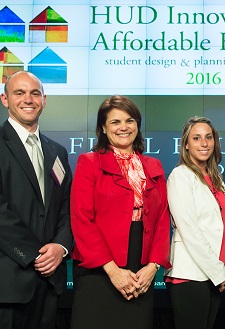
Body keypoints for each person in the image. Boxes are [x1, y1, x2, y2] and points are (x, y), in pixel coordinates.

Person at [0, 71, 72, 329]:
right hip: (2, 287)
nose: (28, 99)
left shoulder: (57, 152)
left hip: (47, 287)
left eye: (35, 93)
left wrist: (60, 247)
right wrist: (37, 254)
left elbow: (66, 209)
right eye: (19, 93)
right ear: (4, 99)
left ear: (44, 100)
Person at [70, 95, 171, 329]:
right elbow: (82, 219)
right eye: (115, 122)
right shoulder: (89, 162)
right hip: (99, 267)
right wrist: (112, 270)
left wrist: (152, 267)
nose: (123, 127)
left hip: (141, 270)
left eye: (129, 120)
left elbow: (162, 219)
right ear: (103, 128)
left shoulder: (153, 166)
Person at [165, 117, 225, 329]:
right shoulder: (180, 176)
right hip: (190, 275)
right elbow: (190, 230)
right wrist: (219, 272)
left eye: (208, 137)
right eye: (196, 138)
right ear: (186, 144)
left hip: (215, 276)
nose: (204, 143)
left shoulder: (217, 180)